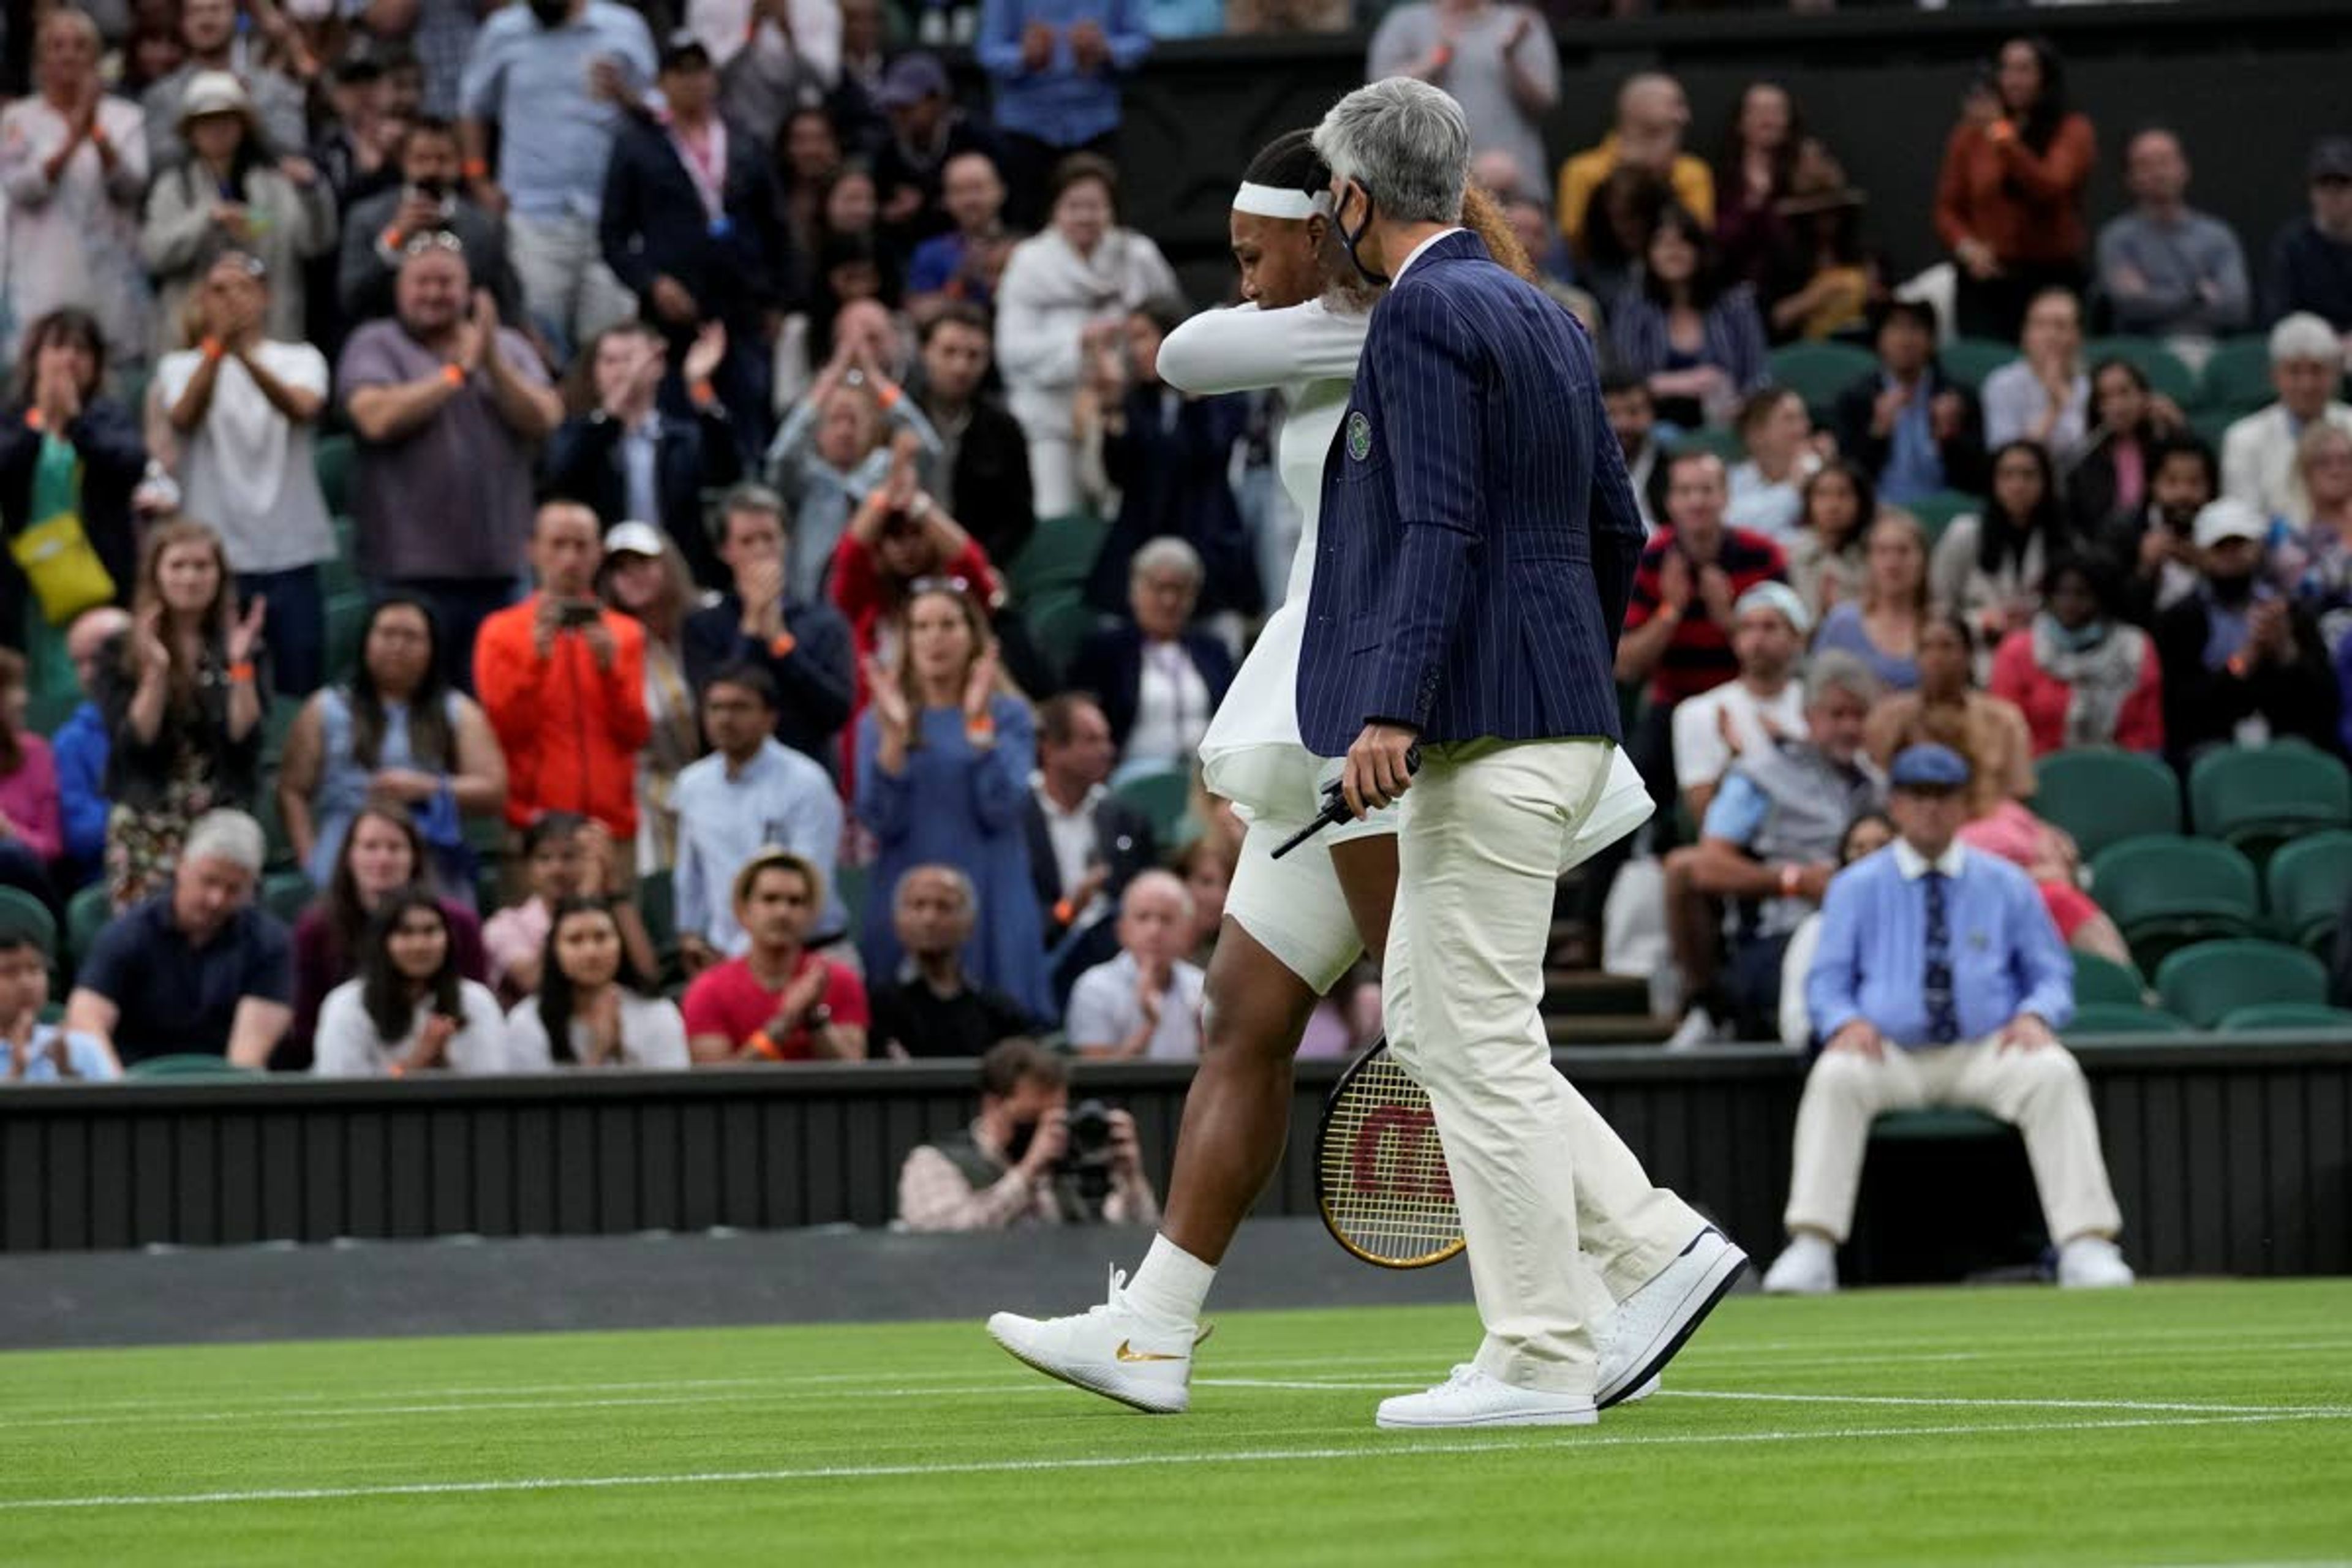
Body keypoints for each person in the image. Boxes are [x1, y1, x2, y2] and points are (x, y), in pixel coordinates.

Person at [986, 124, 1666, 1420]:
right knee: (1242, 1008)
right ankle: (1154, 1324)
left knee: (1447, 1022)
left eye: (1256, 252)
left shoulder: (1410, 325)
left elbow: (1185, 357)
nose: (1242, 281)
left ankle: (1638, 1252)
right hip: (1335, 710)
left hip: (1380, 710)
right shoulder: (1418, 321)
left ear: (1332, 220)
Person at [1762, 742, 2135, 1295]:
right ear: (1897, 805)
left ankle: (2086, 1245)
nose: (1931, 809)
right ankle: (1813, 1246)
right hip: (1888, 1053)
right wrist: (1843, 1021)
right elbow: (1827, 982)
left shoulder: (2008, 883)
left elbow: (2052, 974)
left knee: (2053, 1071)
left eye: (1943, 797)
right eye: (1917, 796)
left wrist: (2035, 1014)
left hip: (1987, 1050)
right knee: (1835, 1075)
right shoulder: (1854, 887)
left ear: (1964, 806)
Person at [338, 238, 565, 687]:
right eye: (422, 282)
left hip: (501, 571)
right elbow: (375, 418)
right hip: (407, 576)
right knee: (419, 708)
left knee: (502, 698)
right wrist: (455, 374)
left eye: (446, 282)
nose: (434, 293)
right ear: (400, 288)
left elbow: (546, 417)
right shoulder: (376, 342)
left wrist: (492, 364)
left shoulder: (508, 346)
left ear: (471, 291)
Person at [1666, 652, 1882, 1047]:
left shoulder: (1881, 787)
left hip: (1867, 936)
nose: (1849, 728)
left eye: (1859, 716)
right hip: (1781, 934)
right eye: (1837, 715)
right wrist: (1794, 882)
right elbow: (1704, 866)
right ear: (1810, 716)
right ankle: (1713, 1011)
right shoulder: (1762, 774)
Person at [857, 583, 1049, 1017]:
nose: (934, 637)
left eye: (948, 624)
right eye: (921, 626)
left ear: (974, 637)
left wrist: (977, 726)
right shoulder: (880, 719)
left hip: (991, 890)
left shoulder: (1008, 714)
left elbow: (1002, 808)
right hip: (908, 887)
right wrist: (892, 739)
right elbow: (878, 821)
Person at [151, 251, 336, 697]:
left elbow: (300, 407)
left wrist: (244, 357)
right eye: (219, 289)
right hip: (217, 563)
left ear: (266, 296)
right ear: (201, 300)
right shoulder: (178, 366)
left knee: (300, 687)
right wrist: (218, 351)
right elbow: (184, 417)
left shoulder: (301, 357)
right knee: (218, 695)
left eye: (243, 287)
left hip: (291, 555)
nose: (232, 298)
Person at [596, 32, 784, 440]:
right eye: (681, 73)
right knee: (675, 421)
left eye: (700, 71)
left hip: (741, 305)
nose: (693, 82)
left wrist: (776, 298)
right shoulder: (638, 145)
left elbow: (774, 222)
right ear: (662, 82)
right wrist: (652, 283)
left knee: (747, 414)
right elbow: (612, 236)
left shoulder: (743, 139)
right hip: (673, 310)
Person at [458, 0, 655, 356]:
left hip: (614, 218)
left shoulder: (624, 27)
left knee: (613, 345)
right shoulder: (503, 31)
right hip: (534, 215)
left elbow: (662, 114)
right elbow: (473, 107)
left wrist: (625, 95)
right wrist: (478, 179)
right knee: (540, 343)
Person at [277, 597, 505, 900]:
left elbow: (493, 788)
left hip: (426, 851)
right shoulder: (326, 708)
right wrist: (310, 857)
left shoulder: (457, 711)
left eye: (411, 637)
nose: (398, 646)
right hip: (342, 851)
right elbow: (292, 790)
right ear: (366, 641)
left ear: (432, 648)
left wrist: (429, 788)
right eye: (387, 634)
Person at [993, 154, 1180, 517]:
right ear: (1055, 209)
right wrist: (1079, 343)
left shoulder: (1138, 255)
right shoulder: (1029, 262)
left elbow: (1170, 320)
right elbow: (1011, 350)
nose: (1085, 217)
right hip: (1050, 419)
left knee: (1122, 512)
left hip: (1124, 413)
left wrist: (1131, 341)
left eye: (1095, 206)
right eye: (1074, 206)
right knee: (1056, 511)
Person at [96, 519, 266, 910]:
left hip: (221, 812)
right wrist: (156, 673)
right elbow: (134, 741)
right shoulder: (120, 648)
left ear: (219, 576)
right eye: (178, 566)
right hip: (147, 815)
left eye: (202, 566)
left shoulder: (241, 642)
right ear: (156, 573)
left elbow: (246, 738)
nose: (190, 578)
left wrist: (240, 667)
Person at [474, 503, 653, 840]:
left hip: (610, 827)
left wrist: (609, 672)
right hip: (534, 831)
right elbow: (503, 730)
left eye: (581, 546)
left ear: (599, 553)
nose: (570, 559)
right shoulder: (500, 631)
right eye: (558, 545)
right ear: (533, 550)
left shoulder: (626, 633)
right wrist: (535, 663)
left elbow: (636, 734)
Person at [66, 808, 290, 1068]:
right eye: (209, 881)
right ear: (182, 865)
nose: (216, 900)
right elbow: (86, 1019)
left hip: (223, 1090)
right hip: (134, 1085)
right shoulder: (129, 933)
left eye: (233, 890)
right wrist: (119, 1096)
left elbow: (248, 1059)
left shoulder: (270, 944)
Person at [1080, 303, 1259, 622]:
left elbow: (1209, 452)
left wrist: (1193, 394)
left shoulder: (1221, 391)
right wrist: (1111, 409)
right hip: (1143, 542)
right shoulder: (1136, 401)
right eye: (1130, 340)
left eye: (1143, 337)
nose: (1136, 350)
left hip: (1206, 544)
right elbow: (1120, 474)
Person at [1615, 450, 1789, 777]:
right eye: (1685, 491)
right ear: (1670, 502)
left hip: (1749, 696)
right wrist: (1671, 610)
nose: (1697, 502)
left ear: (1725, 497)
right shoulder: (1649, 560)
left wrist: (1729, 620)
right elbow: (1625, 666)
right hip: (1673, 702)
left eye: (1707, 490)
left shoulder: (1764, 556)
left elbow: (1788, 649)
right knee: (1632, 783)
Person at [138, 73, 336, 359]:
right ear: (191, 131)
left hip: (271, 339)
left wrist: (312, 192)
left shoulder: (275, 183)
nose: (217, 130)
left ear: (244, 126)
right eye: (206, 122)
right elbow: (155, 252)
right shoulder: (175, 186)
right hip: (193, 344)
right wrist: (208, 220)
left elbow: (314, 242)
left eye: (226, 119)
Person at [0, 9, 151, 370]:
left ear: (96, 58)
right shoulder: (18, 119)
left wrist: (96, 131)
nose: (68, 55)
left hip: (110, 282)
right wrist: (72, 138)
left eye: (80, 46)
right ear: (39, 60)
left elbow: (132, 185)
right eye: (56, 46)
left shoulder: (126, 117)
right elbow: (21, 186)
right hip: (40, 279)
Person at [544, 321, 744, 593]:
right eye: (609, 361)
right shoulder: (580, 435)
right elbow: (561, 481)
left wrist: (699, 386)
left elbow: (727, 472)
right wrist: (612, 414)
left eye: (629, 360)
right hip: (605, 584)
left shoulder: (683, 439)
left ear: (657, 366)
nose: (619, 372)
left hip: (680, 580)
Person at [286, 796, 489, 1062]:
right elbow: (305, 1031)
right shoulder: (316, 929)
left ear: (415, 857)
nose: (382, 859)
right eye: (370, 847)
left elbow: (470, 1012)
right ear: (349, 855)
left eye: (395, 848)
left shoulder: (459, 923)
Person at [671, 665, 846, 967]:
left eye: (740, 708)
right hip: (723, 961)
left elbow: (810, 883)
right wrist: (690, 934)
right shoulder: (693, 784)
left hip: (808, 954)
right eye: (716, 708)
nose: (725, 719)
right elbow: (691, 874)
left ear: (769, 718)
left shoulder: (806, 782)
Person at [2154, 499, 2343, 766]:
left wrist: (2286, 652)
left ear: (2259, 548)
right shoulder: (2178, 620)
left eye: (2240, 545)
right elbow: (2181, 710)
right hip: (2209, 749)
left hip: (2287, 743)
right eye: (2221, 547)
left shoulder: (2292, 613)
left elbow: (2325, 703)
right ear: (2202, 553)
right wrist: (2243, 661)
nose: (2231, 554)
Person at [680, 485, 858, 771]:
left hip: (808, 774)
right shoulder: (703, 625)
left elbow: (837, 711)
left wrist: (781, 643)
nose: (762, 550)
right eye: (748, 541)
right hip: (732, 779)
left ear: (786, 542)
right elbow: (714, 711)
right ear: (725, 551)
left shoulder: (823, 621)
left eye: (769, 538)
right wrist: (751, 626)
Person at [1932, 38, 2097, 342]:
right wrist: (1967, 247)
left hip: (2050, 275)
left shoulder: (2072, 129)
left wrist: (2001, 135)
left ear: (2045, 77)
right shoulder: (1969, 134)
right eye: (2006, 69)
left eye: (2024, 70)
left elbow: (2049, 187)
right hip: (1988, 279)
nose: (2013, 80)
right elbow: (1947, 208)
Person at [899, 1038, 1158, 1229]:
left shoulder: (1064, 1167)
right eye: (1035, 1117)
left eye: (1056, 1118)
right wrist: (1027, 1173)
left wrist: (1131, 1178)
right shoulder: (935, 1162)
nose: (1047, 1131)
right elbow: (941, 1235)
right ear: (994, 1104)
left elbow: (1129, 1235)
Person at [764, 335, 946, 602]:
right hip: (812, 604)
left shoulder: (888, 470)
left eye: (854, 420)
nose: (845, 431)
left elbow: (929, 452)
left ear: (873, 428)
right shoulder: (805, 478)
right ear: (817, 429)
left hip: (878, 604)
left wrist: (875, 379)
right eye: (836, 420)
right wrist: (826, 384)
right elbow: (780, 458)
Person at [1023, 692, 1157, 995]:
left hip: (1119, 962)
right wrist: (1070, 909)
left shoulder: (1126, 819)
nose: (1107, 751)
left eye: (1106, 739)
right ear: (1051, 750)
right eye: (1092, 741)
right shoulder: (1016, 822)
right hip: (1044, 961)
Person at [974, 0, 1150, 227]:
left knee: (1101, 223)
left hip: (1096, 125)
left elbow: (1141, 42)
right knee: (1024, 227)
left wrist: (1105, 49)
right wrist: (1023, 56)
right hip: (1026, 129)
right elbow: (988, 51)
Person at [681, 847, 867, 1062]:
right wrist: (784, 1024)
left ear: (811, 915)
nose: (782, 913)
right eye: (770, 899)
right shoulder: (709, 991)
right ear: (743, 911)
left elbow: (853, 1077)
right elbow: (715, 1087)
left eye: (795, 901)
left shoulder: (839, 981)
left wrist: (815, 1019)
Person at [1365, 0, 1556, 208]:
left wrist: (1511, 58)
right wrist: (1435, 60)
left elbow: (1546, 101)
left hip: (1516, 192)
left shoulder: (1520, 22)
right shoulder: (1406, 22)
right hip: (1430, 189)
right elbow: (1378, 97)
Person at [1068, 538, 1237, 771]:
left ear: (1194, 595)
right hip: (1129, 776)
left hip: (1205, 776)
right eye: (1159, 588)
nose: (1169, 601)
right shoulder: (1106, 650)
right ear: (1135, 590)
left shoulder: (1213, 650)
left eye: (1179, 589)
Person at [339, 116, 522, 328]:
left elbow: (506, 303)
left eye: (443, 159)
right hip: (386, 340)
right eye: (422, 159)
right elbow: (351, 299)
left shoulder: (484, 225)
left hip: (463, 339)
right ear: (404, 162)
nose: (432, 169)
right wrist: (394, 237)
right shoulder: (366, 217)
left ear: (459, 163)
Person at [311, 887, 508, 1078]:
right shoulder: (347, 1006)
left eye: (430, 931)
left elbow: (494, 1091)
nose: (420, 945)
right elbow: (343, 1100)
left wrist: (446, 1067)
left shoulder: (477, 1002)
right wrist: (416, 1063)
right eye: (406, 932)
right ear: (383, 942)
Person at [595, 522, 703, 872]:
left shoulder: (708, 620)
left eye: (643, 564)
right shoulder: (608, 639)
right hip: (650, 791)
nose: (632, 577)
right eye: (620, 570)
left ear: (668, 564)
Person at [1607, 204, 1768, 431]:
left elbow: (1758, 375)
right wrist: (1677, 384)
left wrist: (1743, 408)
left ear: (1700, 250)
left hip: (1731, 422)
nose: (1673, 251)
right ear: (1648, 253)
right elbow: (1624, 380)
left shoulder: (1735, 303)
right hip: (1654, 427)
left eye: (1683, 242)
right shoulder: (1632, 306)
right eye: (1662, 243)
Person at [1864, 613, 2037, 824]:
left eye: (1946, 647)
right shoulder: (1887, 718)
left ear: (1968, 655)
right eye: (1926, 648)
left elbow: (2018, 795)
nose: (1936, 657)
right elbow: (1877, 789)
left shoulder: (2004, 720)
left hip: (1988, 829)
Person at [1991, 554, 2166, 758]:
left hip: (2118, 775)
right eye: (2061, 593)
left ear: (2102, 598)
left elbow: (2147, 735)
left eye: (2081, 594)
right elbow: (2005, 733)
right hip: (2038, 775)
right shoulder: (2017, 651)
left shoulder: (2136, 650)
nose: (2070, 603)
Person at [2094, 127, 2250, 349]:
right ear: (2130, 178)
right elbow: (2129, 305)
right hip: (2141, 355)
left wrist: (2153, 295)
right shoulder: (2117, 239)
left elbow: (2236, 308)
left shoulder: (2218, 236)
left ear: (2184, 169)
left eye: (2165, 162)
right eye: (2146, 165)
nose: (2158, 173)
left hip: (2208, 350)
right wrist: (2197, 296)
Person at [1668, 582, 1809, 823]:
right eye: (1747, 627)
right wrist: (1735, 761)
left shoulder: (1819, 708)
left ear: (1798, 639)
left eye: (1770, 627)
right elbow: (1704, 817)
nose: (1757, 639)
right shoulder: (1699, 712)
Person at [482, 812, 655, 1003]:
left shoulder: (611, 915)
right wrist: (582, 899)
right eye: (544, 858)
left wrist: (612, 881)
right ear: (528, 869)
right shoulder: (504, 926)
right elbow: (535, 981)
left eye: (569, 856)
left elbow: (648, 975)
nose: (557, 869)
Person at [911, 303, 1036, 567]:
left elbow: (1018, 516)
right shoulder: (899, 420)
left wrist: (979, 562)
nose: (961, 367)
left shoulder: (1004, 429)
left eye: (973, 355)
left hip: (974, 566)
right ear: (924, 352)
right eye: (949, 352)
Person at [1832, 299, 1987, 509]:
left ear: (1931, 340)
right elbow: (1848, 480)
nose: (1905, 339)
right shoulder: (1855, 398)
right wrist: (1877, 433)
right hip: (1878, 511)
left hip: (1946, 508)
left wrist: (1949, 438)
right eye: (1895, 328)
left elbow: (1978, 481)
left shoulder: (1959, 397)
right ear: (1879, 340)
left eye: (1915, 328)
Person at [869, 864, 1035, 1058]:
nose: (929, 919)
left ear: (969, 924)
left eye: (944, 907)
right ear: (897, 921)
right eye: (918, 905)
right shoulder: (876, 1008)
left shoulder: (1000, 1014)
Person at [504, 896, 689, 1069]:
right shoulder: (527, 1022)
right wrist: (598, 1052)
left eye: (601, 937)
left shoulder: (657, 1013)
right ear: (554, 951)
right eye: (575, 940)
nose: (591, 952)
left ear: (621, 944)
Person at [1934, 441, 2067, 663]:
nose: (2018, 485)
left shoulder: (2064, 539)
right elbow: (1941, 605)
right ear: (1993, 482)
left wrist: (2034, 619)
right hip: (1976, 657)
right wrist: (1982, 622)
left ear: (2046, 482)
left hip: (2044, 657)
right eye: (2007, 475)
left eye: (2028, 475)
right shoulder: (1964, 534)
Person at [1776, 810, 1895, 1050]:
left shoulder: (1927, 921)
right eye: (1859, 849)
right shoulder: (1817, 929)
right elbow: (1795, 1021)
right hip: (1841, 1049)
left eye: (1882, 846)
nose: (1870, 858)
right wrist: (1839, 1031)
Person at [1555, 70, 1713, 250]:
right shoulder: (1581, 170)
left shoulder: (1693, 172)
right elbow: (1572, 238)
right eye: (1675, 105)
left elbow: (1698, 237)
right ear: (1638, 106)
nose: (1684, 116)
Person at [2222, 314, 2352, 530]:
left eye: (2317, 371)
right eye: (2294, 372)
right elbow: (2243, 521)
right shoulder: (2243, 439)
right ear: (2275, 377)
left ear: (2335, 376)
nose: (2306, 385)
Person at [139, 0, 307, 168]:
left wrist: (248, 110)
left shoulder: (274, 87)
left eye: (216, 9)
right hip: (190, 191)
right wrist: (201, 124)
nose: (206, 20)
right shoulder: (161, 94)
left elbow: (292, 149)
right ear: (183, 22)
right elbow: (158, 161)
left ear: (237, 16)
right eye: (195, 12)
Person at [1064, 869, 1203, 1060]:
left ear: (1188, 932)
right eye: (1143, 917)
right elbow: (1097, 1081)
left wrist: (1205, 1037)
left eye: (1166, 919)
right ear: (1122, 930)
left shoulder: (1201, 987)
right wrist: (1149, 1025)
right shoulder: (1094, 988)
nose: (1155, 931)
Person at [871, 53, 1001, 249]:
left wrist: (928, 203)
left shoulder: (974, 139)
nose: (898, 116)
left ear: (937, 101)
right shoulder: (887, 150)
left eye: (907, 107)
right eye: (893, 108)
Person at [53, 606, 131, 889]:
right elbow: (81, 836)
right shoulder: (71, 741)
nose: (87, 674)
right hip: (106, 880)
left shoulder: (179, 719)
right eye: (78, 663)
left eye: (96, 660)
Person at [2103, 434, 2215, 628]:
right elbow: (2110, 611)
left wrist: (2210, 567)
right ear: (2152, 484)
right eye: (2172, 482)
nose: (2184, 494)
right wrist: (2145, 570)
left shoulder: (2224, 531)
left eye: (2195, 483)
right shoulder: (2123, 530)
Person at [1814, 511, 1932, 693]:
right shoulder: (1841, 623)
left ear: (1923, 559)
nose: (1892, 563)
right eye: (1882, 551)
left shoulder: (1940, 625)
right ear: (1869, 560)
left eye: (1903, 551)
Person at [2065, 358, 2180, 539]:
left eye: (2124, 393)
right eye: (2105, 398)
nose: (2117, 406)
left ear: (2144, 396)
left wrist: (2178, 427)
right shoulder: (2086, 456)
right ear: (2097, 407)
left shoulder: (2167, 444)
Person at [1711, 80, 1804, 296]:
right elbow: (1718, 243)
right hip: (1729, 293)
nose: (1768, 120)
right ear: (1740, 122)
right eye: (1759, 111)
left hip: (1791, 293)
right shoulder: (1721, 181)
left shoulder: (1804, 175)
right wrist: (1754, 206)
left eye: (1777, 111)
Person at [0, 923, 118, 1082]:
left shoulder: (81, 1048)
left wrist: (67, 1075)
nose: (26, 983)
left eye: (34, 969)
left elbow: (114, 1104)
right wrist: (16, 1073)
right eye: (9, 972)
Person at [905, 154, 1016, 320]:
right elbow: (920, 312)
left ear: (1001, 190)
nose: (970, 200)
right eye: (959, 191)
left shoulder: (1026, 247)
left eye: (978, 188)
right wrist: (962, 281)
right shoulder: (931, 253)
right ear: (945, 200)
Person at [1980, 287, 2089, 454]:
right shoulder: (2002, 385)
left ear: (2077, 336)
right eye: (2040, 325)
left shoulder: (2089, 386)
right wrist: (2054, 408)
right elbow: (2008, 461)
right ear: (2025, 335)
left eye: (2061, 326)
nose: (2051, 335)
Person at [2269, 423, 2352, 639]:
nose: (2337, 471)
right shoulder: (2288, 530)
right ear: (2305, 471)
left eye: (2345, 461)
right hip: (2321, 639)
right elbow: (2304, 592)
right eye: (2324, 463)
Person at [2264, 137, 2352, 332]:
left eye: (2343, 185)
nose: (2333, 194)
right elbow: (2278, 314)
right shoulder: (2292, 243)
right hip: (2308, 347)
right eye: (2324, 185)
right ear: (2312, 191)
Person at [0, 650, 64, 907]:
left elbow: (52, 847)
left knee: (10, 855)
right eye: (11, 689)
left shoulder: (35, 753)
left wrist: (9, 831)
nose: (23, 699)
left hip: (28, 895)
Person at [1725, 386, 1820, 543]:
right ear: (1755, 434)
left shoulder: (1820, 473)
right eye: (1789, 419)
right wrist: (1791, 489)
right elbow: (1732, 530)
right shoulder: (1733, 480)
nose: (1802, 428)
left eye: (1803, 418)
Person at [1784, 461, 1874, 624]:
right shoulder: (1793, 555)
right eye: (1822, 494)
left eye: (1843, 494)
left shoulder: (1876, 553)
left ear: (1861, 501)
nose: (1833, 505)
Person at [1601, 372, 1660, 533]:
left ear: (1652, 414)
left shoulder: (1671, 465)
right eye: (1611, 414)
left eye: (1633, 412)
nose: (1623, 423)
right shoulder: (1585, 471)